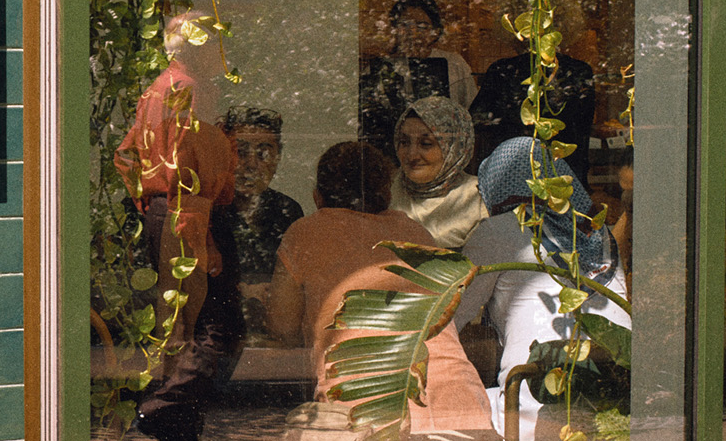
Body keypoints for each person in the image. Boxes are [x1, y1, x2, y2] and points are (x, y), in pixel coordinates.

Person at [268, 142, 500, 438]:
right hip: (462, 407)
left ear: (317, 197)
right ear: (387, 196)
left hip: (368, 419)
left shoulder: (305, 232)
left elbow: (282, 324)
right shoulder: (416, 233)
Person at [112, 13, 244, 441]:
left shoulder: (160, 87)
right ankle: (158, 414)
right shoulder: (185, 89)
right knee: (206, 327)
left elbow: (129, 155)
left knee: (180, 324)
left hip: (166, 209)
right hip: (186, 212)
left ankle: (170, 417)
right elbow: (188, 168)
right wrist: (203, 237)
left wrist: (147, 204)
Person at [453, 137, 632, 441]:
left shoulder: (497, 231)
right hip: (618, 414)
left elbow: (447, 318)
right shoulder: (598, 232)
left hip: (534, 411)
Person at [469, 0, 596, 182]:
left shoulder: (577, 73)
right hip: (511, 180)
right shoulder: (502, 72)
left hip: (561, 182)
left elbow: (580, 135)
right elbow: (479, 124)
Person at [218, 106, 305, 339]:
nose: (251, 164)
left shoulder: (287, 211)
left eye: (263, 153)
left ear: (277, 158)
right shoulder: (209, 211)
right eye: (240, 152)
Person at [357, 0, 476, 157]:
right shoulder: (380, 69)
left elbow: (471, 114)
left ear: (435, 30)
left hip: (444, 154)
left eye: (421, 25)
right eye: (404, 25)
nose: (412, 32)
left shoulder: (454, 64)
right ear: (394, 29)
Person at [388, 96, 487, 249]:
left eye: (426, 144)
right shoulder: (386, 189)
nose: (412, 155)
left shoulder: (478, 198)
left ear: (454, 149)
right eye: (404, 142)